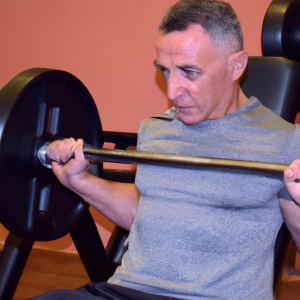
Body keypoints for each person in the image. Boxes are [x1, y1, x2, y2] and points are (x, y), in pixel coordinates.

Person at [29, 0, 300, 299]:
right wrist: (80, 181)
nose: (172, 91)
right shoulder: (155, 129)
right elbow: (145, 211)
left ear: (235, 65)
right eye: (165, 71)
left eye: (189, 72)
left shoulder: (283, 142)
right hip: (125, 291)